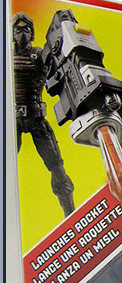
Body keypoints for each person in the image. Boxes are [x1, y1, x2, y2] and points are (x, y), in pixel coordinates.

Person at [12, 13, 75, 217]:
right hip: (11, 122)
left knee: (57, 168)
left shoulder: (39, 54)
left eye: (26, 29)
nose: (22, 33)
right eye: (18, 29)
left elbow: (57, 73)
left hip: (36, 117)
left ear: (32, 33)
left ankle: (70, 214)